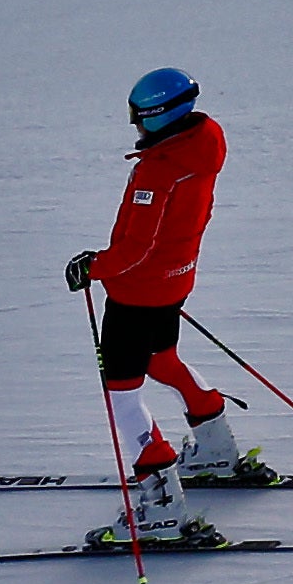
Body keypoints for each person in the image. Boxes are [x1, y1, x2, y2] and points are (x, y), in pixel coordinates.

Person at [63, 66, 236, 533]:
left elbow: (133, 251)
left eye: (139, 116)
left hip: (137, 293)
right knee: (162, 361)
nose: (135, 126)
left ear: (160, 116)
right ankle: (217, 448)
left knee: (122, 394)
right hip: (174, 282)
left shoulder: (159, 172)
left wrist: (92, 267)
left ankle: (161, 504)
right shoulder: (203, 145)